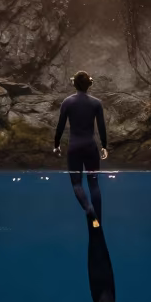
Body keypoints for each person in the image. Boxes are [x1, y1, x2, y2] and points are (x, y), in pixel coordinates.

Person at [54, 70, 108, 225]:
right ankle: (99, 220)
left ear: (74, 84)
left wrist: (56, 145)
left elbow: (60, 127)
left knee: (77, 184)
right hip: (91, 147)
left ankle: (89, 210)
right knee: (94, 183)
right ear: (88, 85)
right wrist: (104, 145)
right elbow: (102, 126)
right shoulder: (96, 103)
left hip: (74, 148)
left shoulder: (67, 102)